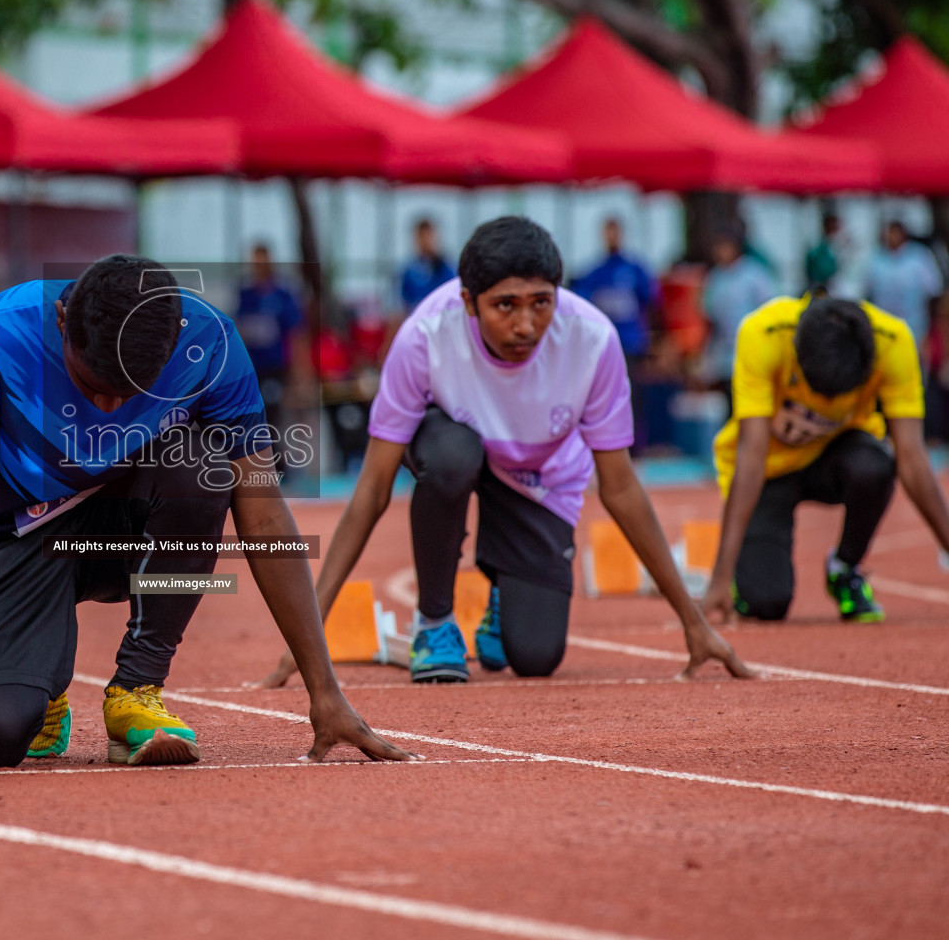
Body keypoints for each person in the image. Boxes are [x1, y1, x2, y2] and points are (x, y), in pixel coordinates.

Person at [0, 255, 411, 774]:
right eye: (92, 385)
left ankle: (135, 689)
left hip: (114, 536)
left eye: (129, 393)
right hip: (5, 545)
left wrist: (325, 692)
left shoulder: (210, 345)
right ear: (62, 320)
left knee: (203, 464)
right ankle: (40, 687)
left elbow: (265, 516)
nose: (108, 408)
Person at [252, 217, 749, 688]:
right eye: (505, 305)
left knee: (536, 657)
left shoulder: (593, 341)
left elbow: (619, 486)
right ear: (469, 302)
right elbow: (373, 488)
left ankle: (501, 589)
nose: (526, 325)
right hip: (456, 451)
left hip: (539, 477)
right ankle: (435, 622)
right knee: (452, 453)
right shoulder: (425, 336)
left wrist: (693, 619)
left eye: (541, 303)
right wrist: (308, 639)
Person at [700, 296, 949, 624]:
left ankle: (844, 568)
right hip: (770, 471)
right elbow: (751, 456)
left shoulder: (893, 342)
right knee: (765, 603)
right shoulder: (763, 334)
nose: (824, 403)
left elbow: (913, 459)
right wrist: (721, 574)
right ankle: (740, 582)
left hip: (836, 457)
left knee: (875, 467)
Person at [233, 243, 306, 472]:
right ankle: (260, 462)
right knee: (251, 415)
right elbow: (239, 328)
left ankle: (276, 463)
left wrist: (300, 372)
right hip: (252, 367)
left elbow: (295, 333)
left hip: (275, 366)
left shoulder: (282, 294)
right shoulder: (245, 294)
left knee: (272, 413)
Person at [702, 228, 775, 399]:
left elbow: (769, 309)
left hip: (753, 351)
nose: (720, 252)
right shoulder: (715, 278)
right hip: (726, 354)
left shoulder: (754, 275)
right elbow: (710, 318)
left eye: (724, 247)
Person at [570, 217, 657, 362]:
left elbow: (651, 298)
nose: (612, 237)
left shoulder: (635, 269)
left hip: (631, 341)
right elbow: (580, 301)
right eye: (608, 233)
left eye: (615, 232)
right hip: (604, 341)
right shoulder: (595, 272)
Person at [865, 220, 943, 348]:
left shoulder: (919, 257)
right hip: (885, 326)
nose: (892, 237)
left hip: (914, 325)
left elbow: (933, 291)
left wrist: (931, 327)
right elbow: (868, 292)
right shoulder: (876, 258)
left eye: (895, 233)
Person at [399, 217, 454, 312]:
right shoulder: (409, 270)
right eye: (421, 237)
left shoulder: (445, 267)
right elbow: (403, 301)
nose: (425, 242)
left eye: (428, 236)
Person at [804, 213, 844, 295]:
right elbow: (822, 272)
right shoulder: (818, 251)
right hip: (823, 291)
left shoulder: (836, 248)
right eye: (833, 228)